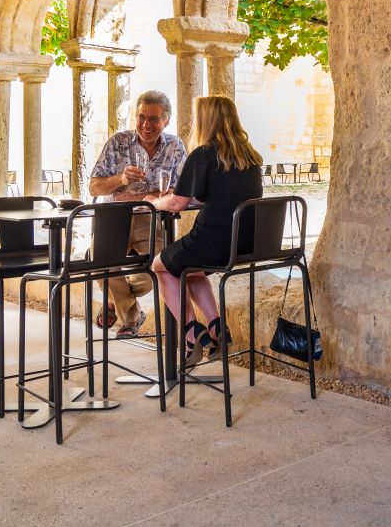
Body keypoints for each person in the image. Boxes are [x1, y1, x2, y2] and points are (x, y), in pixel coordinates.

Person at [151, 95, 263, 366]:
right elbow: (220, 193)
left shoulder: (203, 153)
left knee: (160, 265)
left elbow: (177, 203)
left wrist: (155, 202)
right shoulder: (249, 155)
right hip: (246, 241)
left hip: (215, 238)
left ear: (206, 121)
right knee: (190, 269)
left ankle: (193, 334)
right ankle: (217, 330)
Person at [89, 90, 186, 338]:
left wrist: (141, 197)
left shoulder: (174, 146)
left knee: (158, 266)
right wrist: (120, 179)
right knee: (96, 260)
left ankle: (114, 301)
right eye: (141, 117)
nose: (146, 124)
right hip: (114, 216)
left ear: (166, 120)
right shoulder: (118, 142)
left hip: (151, 218)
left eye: (154, 119)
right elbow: (94, 187)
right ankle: (131, 315)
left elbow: (181, 189)